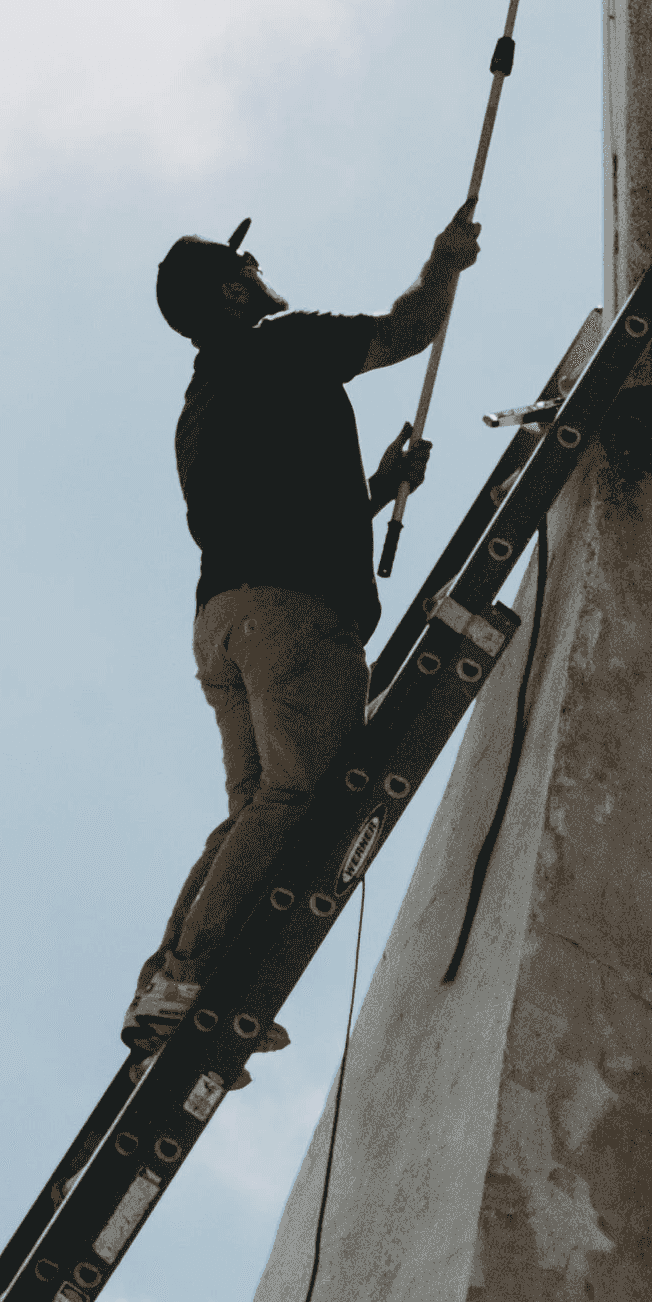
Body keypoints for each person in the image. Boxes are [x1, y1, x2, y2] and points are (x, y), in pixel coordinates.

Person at [127, 202, 480, 1058]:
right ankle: (188, 972)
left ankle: (170, 977)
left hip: (225, 621)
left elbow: (272, 513)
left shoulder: (201, 403)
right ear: (231, 290)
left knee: (259, 809)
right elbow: (406, 331)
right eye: (244, 266)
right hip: (293, 618)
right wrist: (444, 262)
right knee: (296, 800)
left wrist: (375, 489)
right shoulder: (280, 345)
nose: (258, 270)